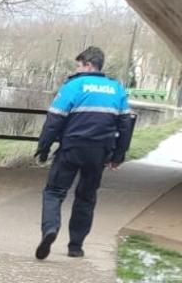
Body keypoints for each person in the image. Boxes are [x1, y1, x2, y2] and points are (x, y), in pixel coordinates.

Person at [34, 46, 134, 260]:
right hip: (99, 152)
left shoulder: (74, 85)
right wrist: (118, 155)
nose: (76, 69)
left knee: (54, 192)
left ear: (88, 64)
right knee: (86, 198)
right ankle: (76, 246)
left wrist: (43, 147)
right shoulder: (116, 88)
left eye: (78, 65)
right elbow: (125, 125)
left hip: (72, 147)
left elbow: (54, 120)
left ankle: (50, 229)